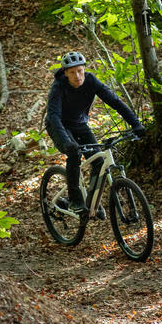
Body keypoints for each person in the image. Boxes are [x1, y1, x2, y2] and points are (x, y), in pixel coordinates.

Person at [45, 51, 145, 216]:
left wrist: (136, 124)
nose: (77, 76)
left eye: (80, 71)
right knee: (74, 153)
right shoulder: (58, 87)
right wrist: (66, 141)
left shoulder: (91, 81)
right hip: (58, 126)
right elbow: (54, 117)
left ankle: (91, 204)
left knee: (98, 161)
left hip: (80, 124)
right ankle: (74, 200)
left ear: (84, 69)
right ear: (65, 73)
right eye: (72, 72)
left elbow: (115, 101)